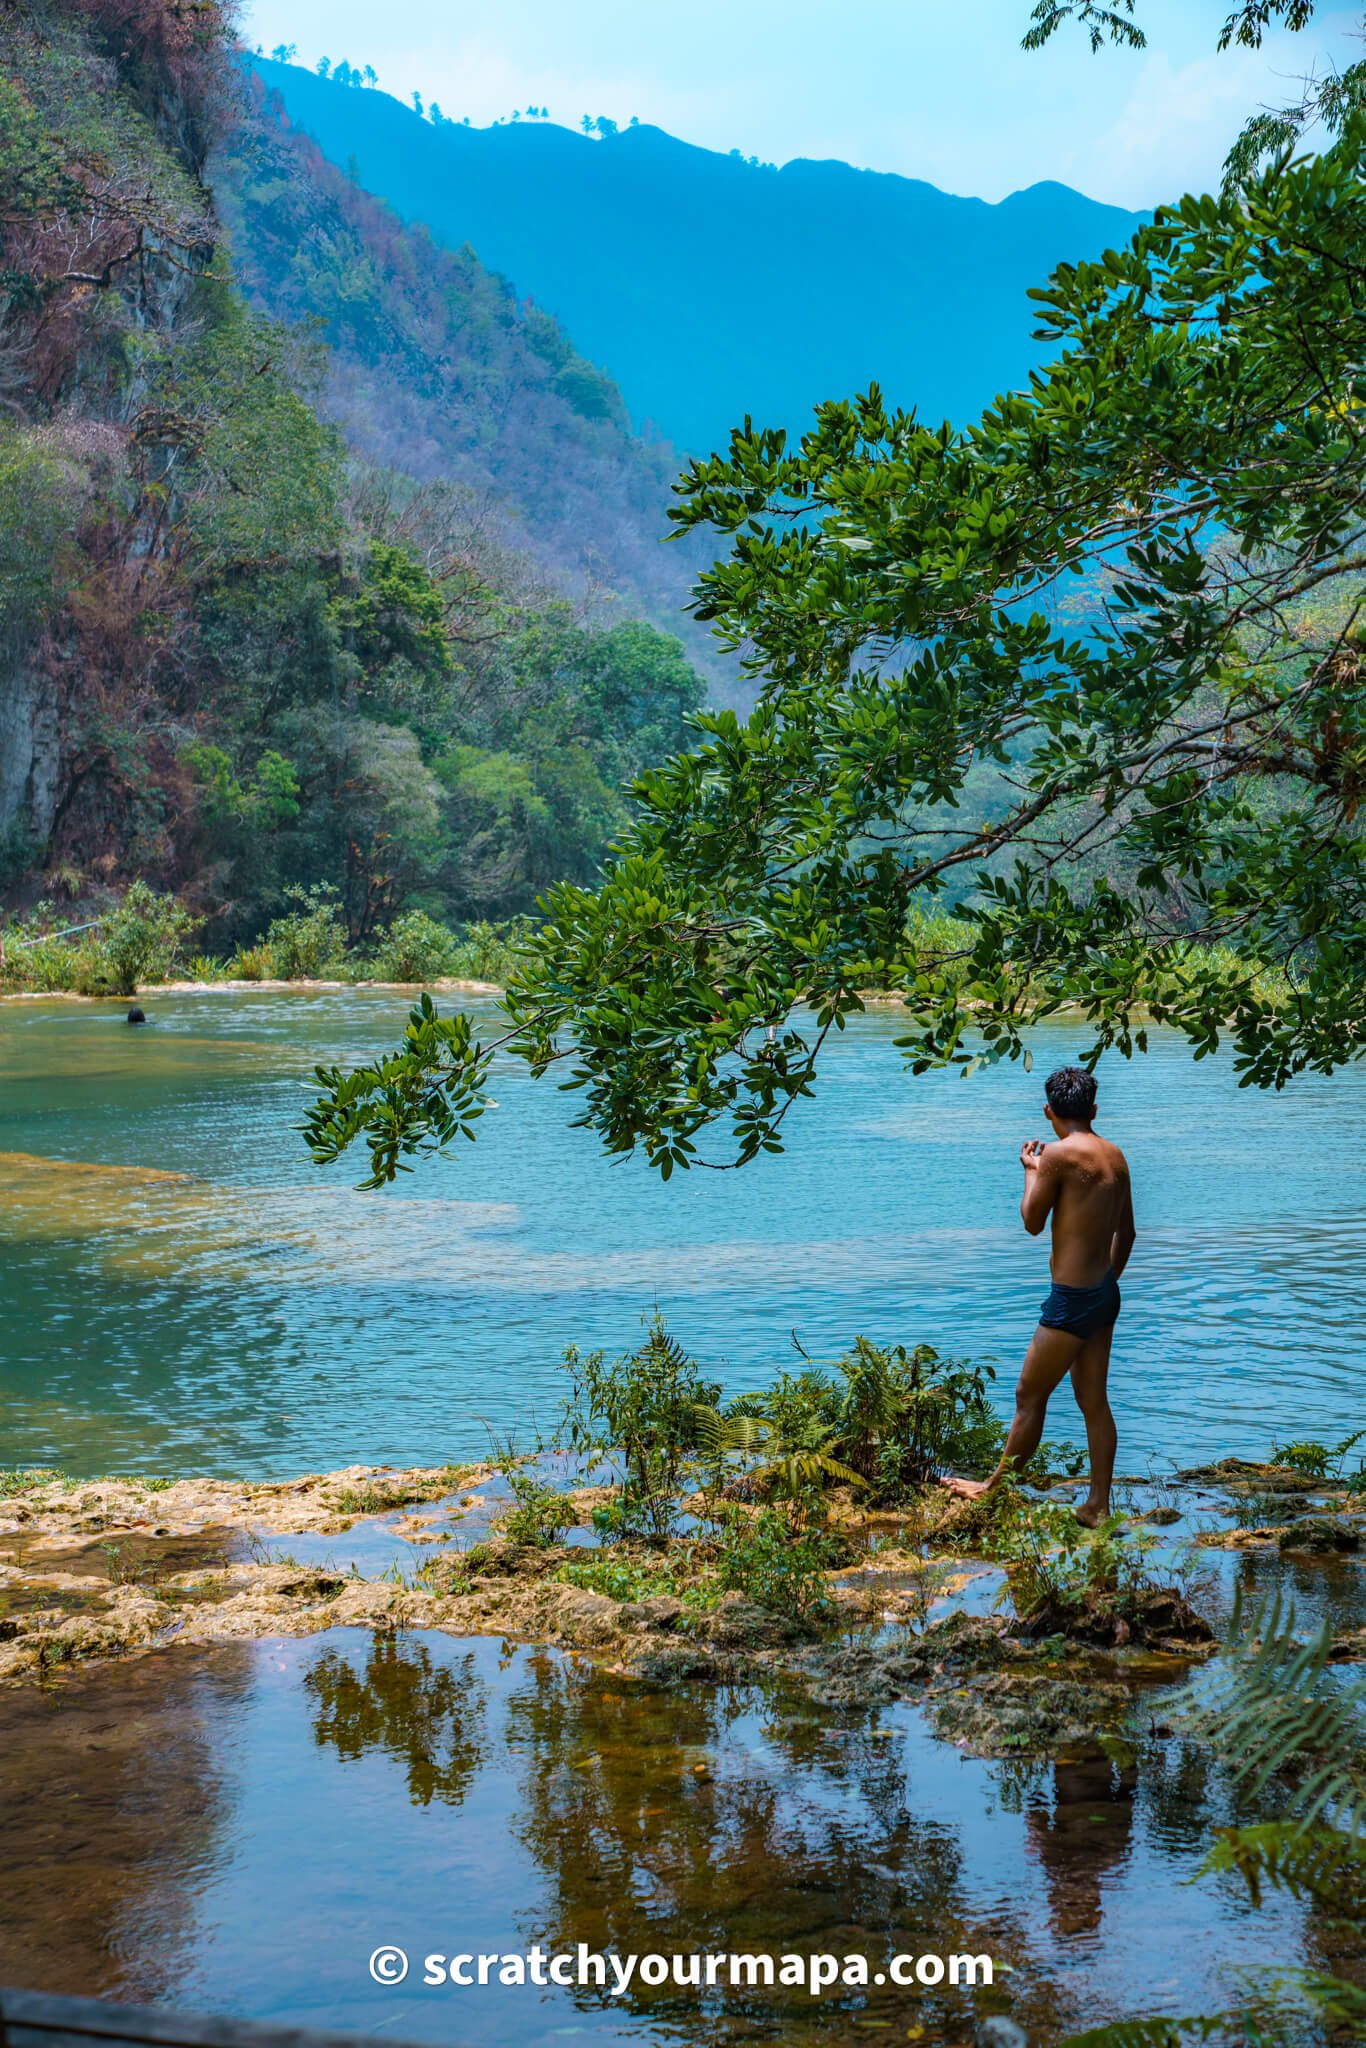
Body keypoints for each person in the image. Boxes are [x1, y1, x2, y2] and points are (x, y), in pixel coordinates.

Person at [941, 1065, 1135, 1527]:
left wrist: (1030, 1170)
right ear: (1093, 1110)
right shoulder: (1116, 1156)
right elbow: (1126, 1234)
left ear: (1049, 1111)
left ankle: (992, 1491)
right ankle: (1097, 1506)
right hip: (1104, 1293)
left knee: (1029, 1394)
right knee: (1094, 1402)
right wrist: (1105, 1285)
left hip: (1072, 1300)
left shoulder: (1058, 1156)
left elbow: (1031, 1222)